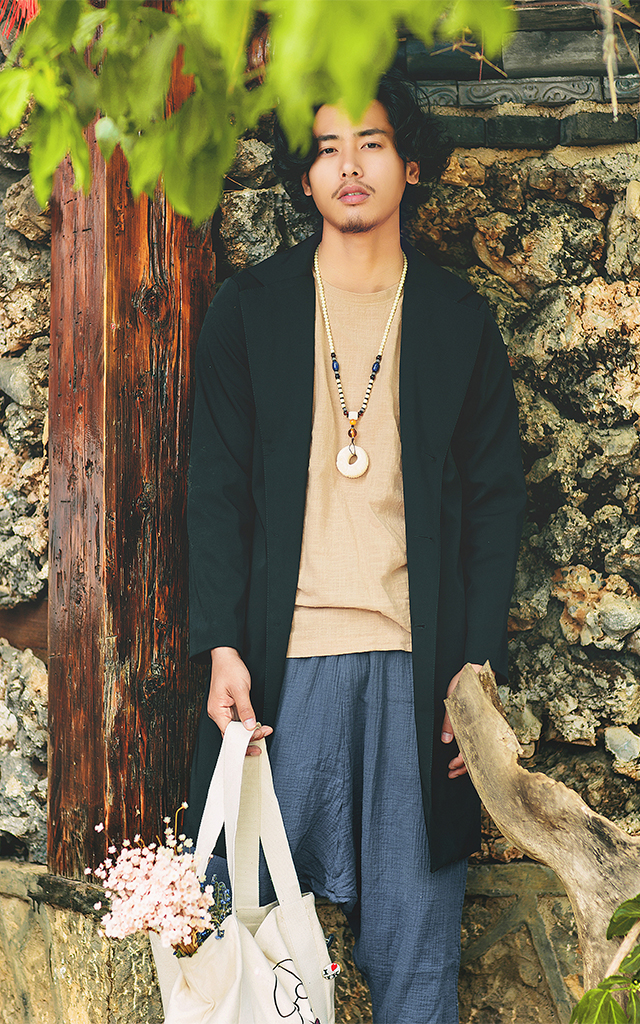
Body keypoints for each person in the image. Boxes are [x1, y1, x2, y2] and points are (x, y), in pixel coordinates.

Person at [185, 72, 526, 1024]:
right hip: (280, 672)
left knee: (416, 959)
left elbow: (495, 505)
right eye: (328, 148)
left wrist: (475, 674)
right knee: (248, 946)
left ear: (410, 167)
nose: (350, 165)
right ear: (304, 177)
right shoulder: (251, 310)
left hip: (415, 674)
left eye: (372, 143)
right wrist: (220, 644)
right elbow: (215, 489)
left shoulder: (458, 321)